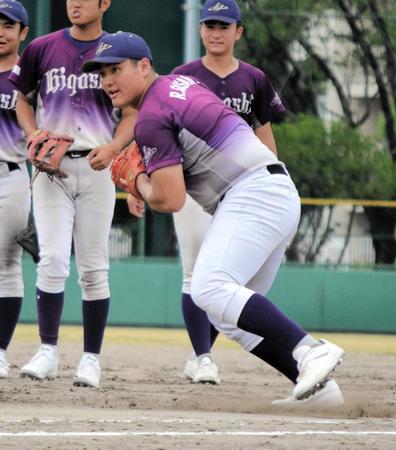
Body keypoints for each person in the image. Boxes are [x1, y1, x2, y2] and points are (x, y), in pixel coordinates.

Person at [82, 31, 345, 405]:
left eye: (115, 69)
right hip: (273, 191)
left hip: (251, 193)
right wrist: (147, 172)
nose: (107, 81)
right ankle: (321, 390)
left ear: (144, 66)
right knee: (227, 314)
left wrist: (137, 183)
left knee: (208, 286)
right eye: (101, 72)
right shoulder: (180, 84)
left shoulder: (151, 117)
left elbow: (170, 199)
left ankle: (309, 350)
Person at [9, 0, 135, 388]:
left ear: (105, 3)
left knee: (95, 268)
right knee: (52, 261)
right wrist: (32, 135)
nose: (75, 3)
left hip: (98, 166)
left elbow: (134, 109)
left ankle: (91, 359)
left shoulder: (120, 50)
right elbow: (23, 99)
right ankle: (48, 350)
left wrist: (114, 149)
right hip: (51, 168)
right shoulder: (42, 48)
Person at [169, 0, 287, 385]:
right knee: (194, 272)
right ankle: (203, 357)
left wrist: (277, 180)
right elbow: (163, 130)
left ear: (239, 32)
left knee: (228, 279)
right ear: (201, 30)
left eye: (224, 25)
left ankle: (202, 352)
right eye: (209, 25)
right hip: (195, 184)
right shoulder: (183, 77)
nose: (215, 32)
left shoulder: (253, 78)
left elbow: (264, 131)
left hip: (246, 188)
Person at [0, 0, 29, 379]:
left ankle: (0, 350)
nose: (1, 31)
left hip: (12, 174)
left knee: (6, 266)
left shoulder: (28, 76)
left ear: (23, 32)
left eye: (9, 25)